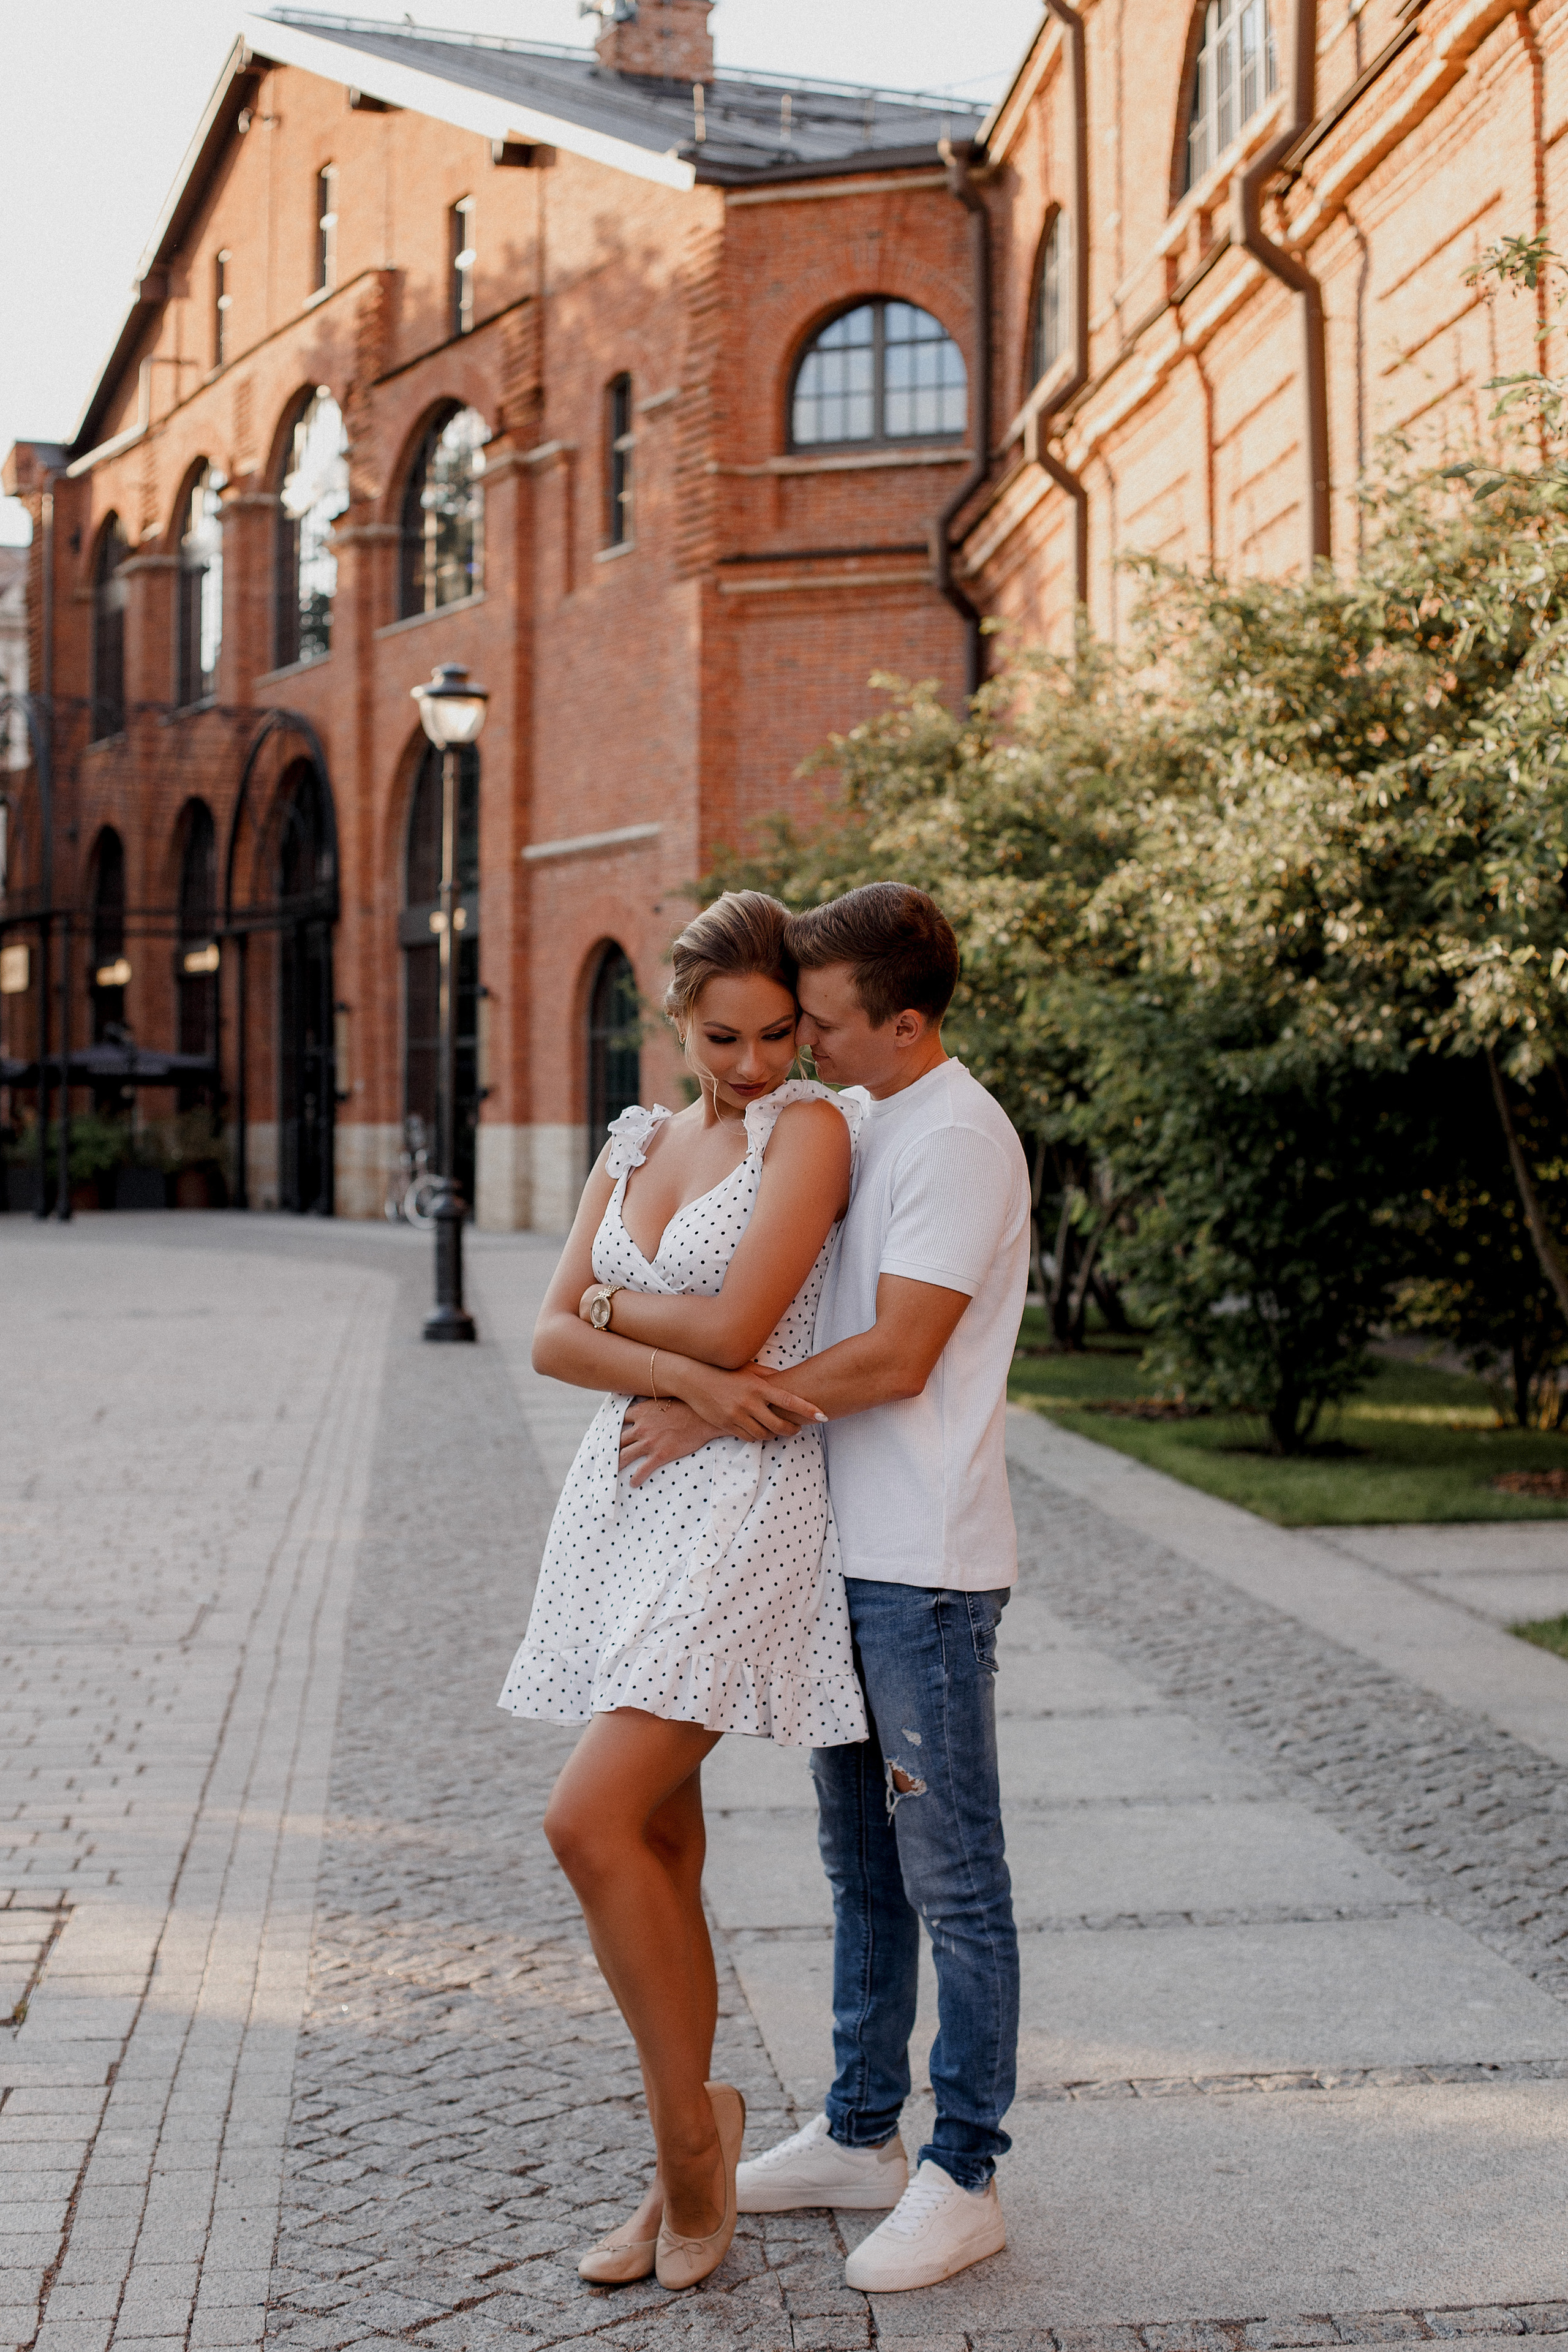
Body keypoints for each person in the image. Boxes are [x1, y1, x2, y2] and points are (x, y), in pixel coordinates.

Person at [618, 881, 1031, 2294]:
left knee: (950, 1876)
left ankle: (963, 2168)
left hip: (922, 1569)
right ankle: (861, 2131)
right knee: (861, 1872)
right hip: (842, 1554)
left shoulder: (958, 1140)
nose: (806, 1049)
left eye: (829, 1025)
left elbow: (896, 1356)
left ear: (905, 1024)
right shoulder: (867, 1119)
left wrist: (706, 1407)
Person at [497, 889, 869, 2295]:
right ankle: (681, 2154)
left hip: (747, 1505)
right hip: (630, 1503)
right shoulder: (638, 1139)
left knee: (583, 1818)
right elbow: (542, 1337)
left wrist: (643, 1338)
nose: (757, 1064)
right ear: (678, 1021)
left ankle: (690, 2148)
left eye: (780, 1033)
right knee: (658, 1848)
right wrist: (681, 1368)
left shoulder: (810, 1131)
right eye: (727, 1037)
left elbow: (719, 1323)